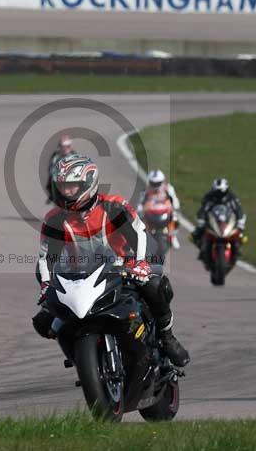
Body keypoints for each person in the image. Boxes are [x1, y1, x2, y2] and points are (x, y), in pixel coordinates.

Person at [31, 154, 190, 367]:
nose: (65, 191)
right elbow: (45, 258)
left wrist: (140, 264)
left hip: (122, 270)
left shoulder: (114, 207)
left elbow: (140, 234)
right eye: (61, 186)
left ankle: (167, 336)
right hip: (80, 279)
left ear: (88, 183)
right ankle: (83, 359)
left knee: (155, 285)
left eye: (71, 186)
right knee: (43, 321)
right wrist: (46, 285)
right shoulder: (54, 219)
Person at [191, 178, 247, 259]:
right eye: (218, 192)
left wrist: (240, 221)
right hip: (214, 220)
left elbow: (238, 210)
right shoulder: (209, 197)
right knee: (197, 232)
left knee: (240, 234)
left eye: (222, 192)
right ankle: (202, 248)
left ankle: (237, 249)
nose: (220, 194)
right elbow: (203, 209)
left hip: (227, 221)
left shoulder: (232, 198)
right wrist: (201, 219)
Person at [137, 169, 181, 250]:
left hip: (165, 211)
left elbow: (174, 200)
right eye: (153, 183)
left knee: (174, 216)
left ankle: (172, 236)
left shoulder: (168, 189)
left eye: (157, 183)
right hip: (150, 213)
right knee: (140, 220)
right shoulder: (145, 191)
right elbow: (140, 203)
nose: (155, 185)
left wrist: (174, 205)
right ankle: (143, 238)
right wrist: (140, 209)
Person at [45, 134, 76, 204]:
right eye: (63, 147)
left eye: (67, 147)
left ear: (70, 147)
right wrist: (54, 173)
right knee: (51, 182)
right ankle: (53, 196)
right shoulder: (56, 156)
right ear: (60, 147)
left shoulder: (74, 155)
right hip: (59, 178)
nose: (65, 149)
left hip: (72, 177)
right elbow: (51, 167)